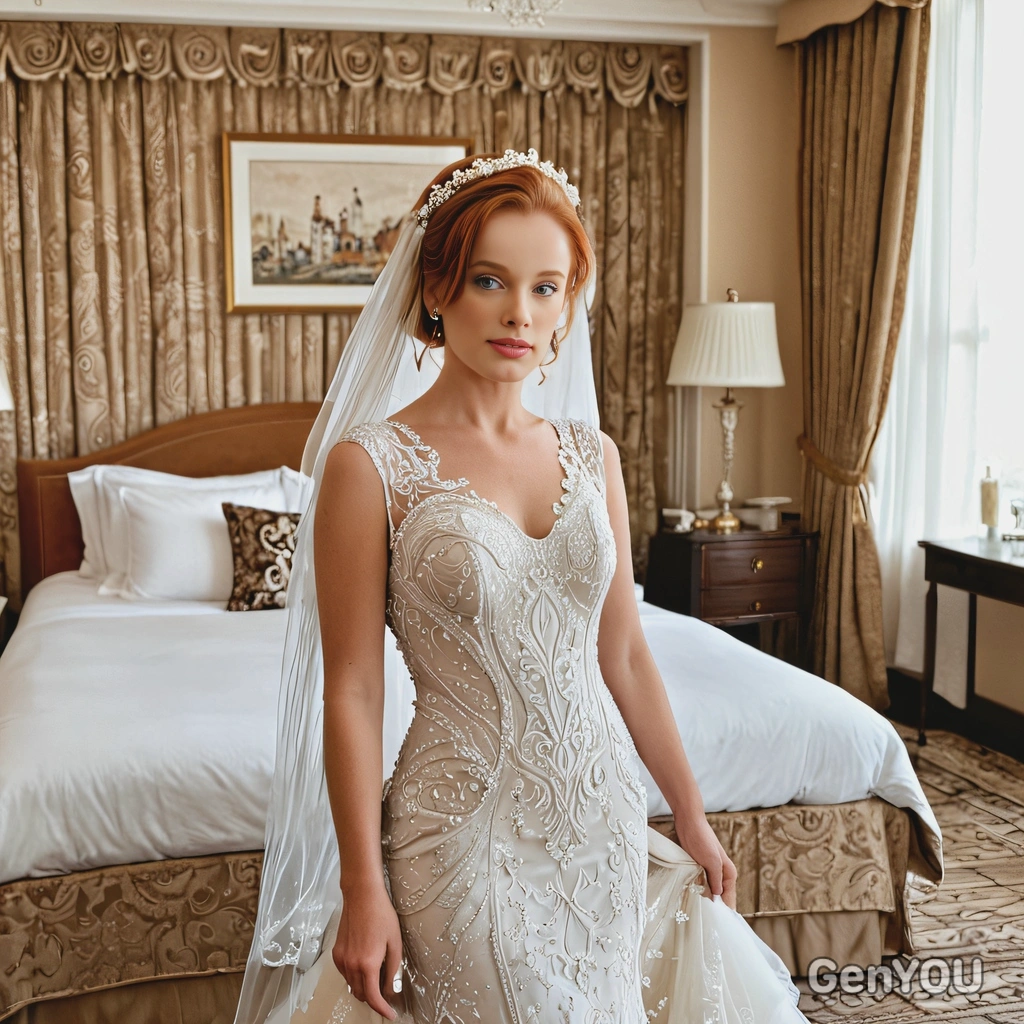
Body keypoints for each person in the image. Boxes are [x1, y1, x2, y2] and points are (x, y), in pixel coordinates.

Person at [233, 151, 809, 1024]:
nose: (519, 313)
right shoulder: (369, 467)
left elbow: (623, 652)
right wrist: (362, 884)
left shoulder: (594, 456)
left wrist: (688, 811)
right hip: (459, 836)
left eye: (547, 287)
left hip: (603, 823)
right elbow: (351, 689)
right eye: (490, 280)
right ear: (436, 287)